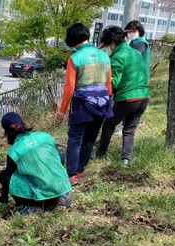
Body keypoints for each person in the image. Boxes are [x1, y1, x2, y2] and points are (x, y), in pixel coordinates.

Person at [55, 22, 113, 185]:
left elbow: (70, 87)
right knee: (90, 138)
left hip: (82, 105)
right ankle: (80, 170)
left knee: (75, 139)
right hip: (102, 102)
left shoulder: (74, 58)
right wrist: (106, 101)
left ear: (72, 39)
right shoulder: (104, 56)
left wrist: (62, 110)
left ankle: (71, 175)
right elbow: (109, 84)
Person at [0, 112, 73, 214]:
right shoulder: (45, 136)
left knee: (4, 175)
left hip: (44, 199)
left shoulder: (13, 152)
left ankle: (32, 205)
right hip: (65, 192)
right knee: (59, 155)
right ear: (23, 123)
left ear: (6, 133)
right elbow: (60, 159)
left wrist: (3, 196)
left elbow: (8, 177)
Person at [96, 26, 150, 167]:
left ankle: (101, 153)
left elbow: (113, 81)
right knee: (129, 129)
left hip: (128, 98)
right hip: (143, 97)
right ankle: (125, 159)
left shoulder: (119, 56)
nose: (108, 48)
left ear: (112, 42)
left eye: (108, 45)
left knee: (109, 124)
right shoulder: (135, 53)